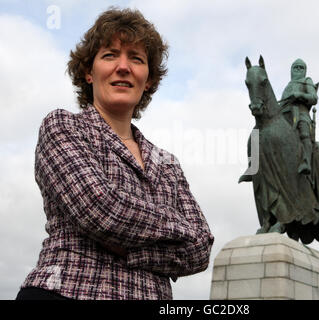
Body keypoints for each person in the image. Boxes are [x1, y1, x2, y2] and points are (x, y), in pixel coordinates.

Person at [16, 7, 214, 300]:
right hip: (68, 291)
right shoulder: (63, 126)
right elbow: (102, 209)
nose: (123, 66)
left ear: (148, 80)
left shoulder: (167, 163)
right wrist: (179, 231)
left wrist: (132, 253)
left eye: (136, 58)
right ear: (88, 72)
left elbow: (200, 251)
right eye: (110, 55)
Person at [280, 58, 318, 177]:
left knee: (304, 131)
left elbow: (314, 97)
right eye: (295, 67)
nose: (298, 69)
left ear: (305, 70)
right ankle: (253, 167)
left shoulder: (307, 80)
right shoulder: (288, 86)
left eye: (301, 67)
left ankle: (306, 161)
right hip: (284, 115)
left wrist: (299, 95)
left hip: (301, 113)